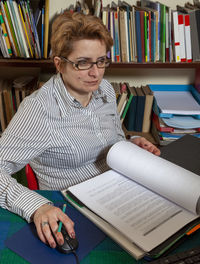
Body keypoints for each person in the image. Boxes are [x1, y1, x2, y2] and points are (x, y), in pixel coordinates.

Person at [0, 11, 160, 249]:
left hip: (121, 193)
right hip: (74, 208)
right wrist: (36, 206)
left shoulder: (104, 88)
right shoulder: (39, 110)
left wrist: (129, 142)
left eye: (101, 61)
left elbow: (113, 136)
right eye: (83, 63)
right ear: (59, 64)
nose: (95, 73)